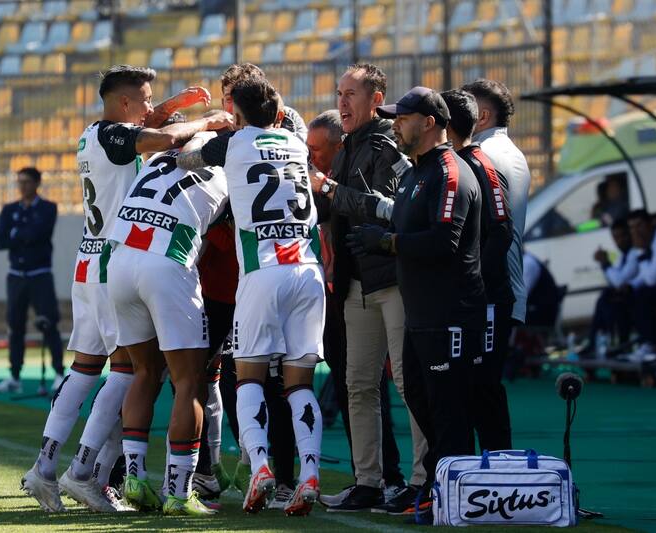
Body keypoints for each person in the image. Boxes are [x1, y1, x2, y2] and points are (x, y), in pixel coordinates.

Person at [21, 64, 231, 514]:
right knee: (128, 373)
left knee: (86, 368)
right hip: (118, 256)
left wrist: (172, 107)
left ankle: (48, 466)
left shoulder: (92, 135)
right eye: (147, 98)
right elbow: (159, 139)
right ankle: (83, 473)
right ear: (123, 104)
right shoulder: (111, 136)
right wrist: (207, 123)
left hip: (93, 259)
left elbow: (150, 126)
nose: (153, 107)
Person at [177, 78, 325, 517]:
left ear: (237, 116)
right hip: (308, 271)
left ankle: (259, 467)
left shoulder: (233, 143)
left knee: (249, 379)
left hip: (263, 274)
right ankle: (308, 474)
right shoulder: (297, 144)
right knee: (298, 383)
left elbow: (187, 159)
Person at [347, 86, 485, 518]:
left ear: (428, 122)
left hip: (450, 313)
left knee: (447, 409)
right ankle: (438, 490)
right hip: (421, 312)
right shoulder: (415, 173)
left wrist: (386, 242)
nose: (395, 124)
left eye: (402, 118)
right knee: (423, 402)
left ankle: (457, 498)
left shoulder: (450, 172)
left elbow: (446, 241)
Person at [309, 63, 426, 513]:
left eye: (351, 94)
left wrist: (334, 191)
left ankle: (420, 480)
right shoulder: (347, 147)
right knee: (357, 385)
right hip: (356, 283)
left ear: (376, 99)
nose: (342, 101)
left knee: (406, 383)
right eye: (340, 93)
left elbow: (393, 210)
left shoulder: (387, 143)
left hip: (392, 281)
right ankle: (368, 481)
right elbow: (334, 208)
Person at [106, 110, 230, 517]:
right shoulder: (228, 167)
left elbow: (164, 127)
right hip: (168, 261)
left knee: (143, 372)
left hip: (121, 262)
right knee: (188, 380)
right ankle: (178, 491)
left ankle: (136, 481)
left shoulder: (156, 158)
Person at [441, 89, 514, 452]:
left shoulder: (480, 164)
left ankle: (497, 472)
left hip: (485, 301)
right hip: (467, 300)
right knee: (464, 391)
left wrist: (475, 284)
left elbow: (502, 228)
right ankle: (468, 477)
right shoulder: (453, 164)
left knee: (483, 388)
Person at [461, 80, 531, 329]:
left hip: (487, 290)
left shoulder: (480, 154)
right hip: (507, 288)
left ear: (482, 116)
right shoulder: (513, 152)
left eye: (464, 106)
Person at [0, 167, 63, 393]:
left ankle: (59, 373)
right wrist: (23, 235)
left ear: (36, 184)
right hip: (16, 277)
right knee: (15, 326)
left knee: (49, 323)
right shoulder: (9, 210)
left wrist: (17, 234)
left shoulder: (48, 208)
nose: (22, 186)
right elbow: (1, 241)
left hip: (40, 275)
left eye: (26, 182)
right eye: (19, 182)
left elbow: (38, 235)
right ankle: (14, 376)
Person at [626, 210, 656, 360]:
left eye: (639, 225)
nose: (636, 231)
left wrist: (640, 251)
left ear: (651, 224)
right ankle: (622, 342)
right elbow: (642, 277)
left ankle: (651, 345)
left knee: (643, 295)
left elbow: (652, 279)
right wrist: (627, 287)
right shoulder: (649, 242)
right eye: (632, 228)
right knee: (623, 295)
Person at [590, 218, 638, 351]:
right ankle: (597, 341)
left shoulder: (635, 253)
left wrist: (605, 263)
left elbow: (619, 281)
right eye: (616, 237)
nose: (620, 240)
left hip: (637, 300)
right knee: (605, 298)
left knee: (608, 301)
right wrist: (605, 263)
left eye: (623, 235)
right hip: (627, 300)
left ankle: (609, 343)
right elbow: (613, 279)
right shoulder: (622, 256)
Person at [522, 252, 559, 327]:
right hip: (541, 310)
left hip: (544, 314)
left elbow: (522, 295)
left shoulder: (527, 263)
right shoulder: (526, 260)